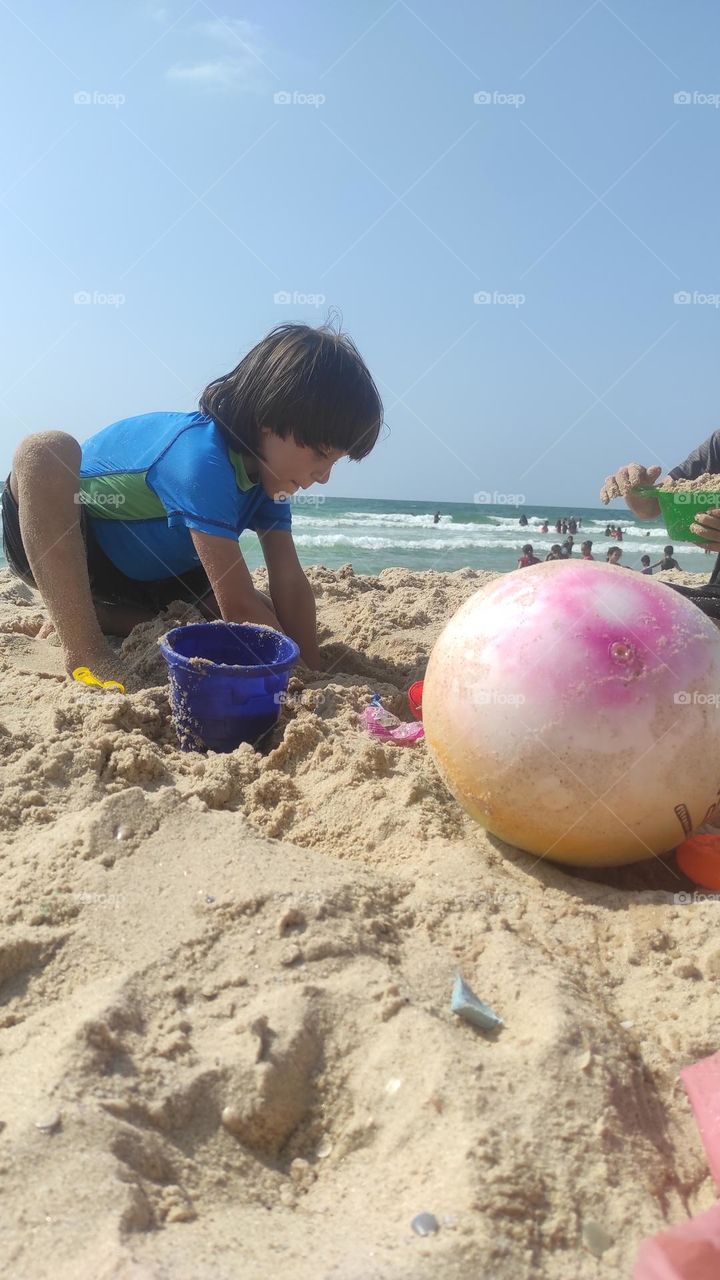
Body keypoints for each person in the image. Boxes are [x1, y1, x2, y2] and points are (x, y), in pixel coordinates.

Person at [1, 323, 383, 687]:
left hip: (150, 574)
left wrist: (312, 667)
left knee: (251, 615)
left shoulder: (270, 481)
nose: (325, 475)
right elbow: (238, 604)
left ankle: (99, 614)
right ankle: (84, 646)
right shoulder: (200, 457)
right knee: (47, 449)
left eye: (334, 461)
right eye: (320, 454)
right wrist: (296, 675)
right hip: (65, 544)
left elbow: (290, 582)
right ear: (270, 420)